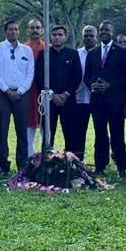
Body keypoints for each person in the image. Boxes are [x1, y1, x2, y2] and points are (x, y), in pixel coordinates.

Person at [84, 20, 126, 176]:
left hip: (115, 100)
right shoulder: (93, 53)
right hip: (97, 101)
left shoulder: (122, 52)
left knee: (117, 134)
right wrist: (93, 85)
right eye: (101, 30)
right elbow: (87, 76)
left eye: (107, 30)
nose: (104, 32)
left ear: (112, 32)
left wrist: (110, 85)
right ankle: (100, 166)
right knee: (100, 134)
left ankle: (121, 168)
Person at [0, 20, 35, 174]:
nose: (13, 32)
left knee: (22, 131)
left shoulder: (26, 50)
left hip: (22, 94)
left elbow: (30, 73)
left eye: (16, 29)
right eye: (10, 29)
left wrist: (20, 91)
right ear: (5, 31)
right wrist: (7, 90)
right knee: (1, 131)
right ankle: (3, 165)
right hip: (2, 94)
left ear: (19, 31)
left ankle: (22, 165)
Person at [36, 25, 83, 155]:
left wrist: (66, 94)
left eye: (60, 34)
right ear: (50, 36)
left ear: (65, 37)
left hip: (68, 100)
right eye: (54, 34)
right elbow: (39, 77)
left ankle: (71, 164)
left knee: (71, 134)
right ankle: (46, 164)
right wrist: (52, 95)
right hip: (49, 101)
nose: (57, 37)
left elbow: (77, 76)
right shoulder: (43, 54)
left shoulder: (73, 54)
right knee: (47, 135)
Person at [63, 25, 95, 162]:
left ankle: (101, 162)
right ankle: (77, 160)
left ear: (96, 37)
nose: (88, 38)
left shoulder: (100, 53)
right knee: (78, 132)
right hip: (80, 99)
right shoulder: (76, 54)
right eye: (86, 35)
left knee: (100, 132)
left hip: (97, 99)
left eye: (91, 35)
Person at [25, 19, 46, 153]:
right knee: (28, 124)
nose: (35, 30)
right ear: (28, 30)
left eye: (37, 27)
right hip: (27, 91)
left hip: (43, 91)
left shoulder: (47, 48)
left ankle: (46, 155)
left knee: (46, 122)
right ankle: (29, 157)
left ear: (42, 30)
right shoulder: (23, 48)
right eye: (32, 28)